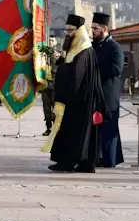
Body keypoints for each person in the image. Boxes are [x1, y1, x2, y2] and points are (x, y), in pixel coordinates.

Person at [42, 14, 106, 173]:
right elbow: (71, 66)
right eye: (66, 30)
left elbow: (75, 75)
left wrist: (61, 70)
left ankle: (67, 163)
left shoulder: (83, 49)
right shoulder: (79, 47)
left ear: (79, 31)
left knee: (73, 132)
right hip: (79, 98)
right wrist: (60, 61)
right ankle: (82, 163)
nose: (67, 33)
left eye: (70, 30)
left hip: (79, 100)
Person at [91, 12, 125, 168]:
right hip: (95, 93)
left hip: (109, 93)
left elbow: (116, 68)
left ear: (104, 29)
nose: (93, 31)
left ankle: (110, 159)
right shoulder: (94, 46)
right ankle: (98, 156)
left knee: (109, 126)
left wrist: (96, 73)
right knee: (97, 126)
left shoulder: (114, 47)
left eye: (95, 28)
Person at [40, 35, 61, 136]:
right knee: (46, 107)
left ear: (56, 42)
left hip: (55, 83)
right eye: (49, 41)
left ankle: (56, 127)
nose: (50, 43)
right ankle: (48, 127)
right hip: (45, 83)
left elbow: (63, 61)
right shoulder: (43, 53)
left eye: (52, 41)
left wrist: (55, 55)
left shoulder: (58, 52)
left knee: (55, 107)